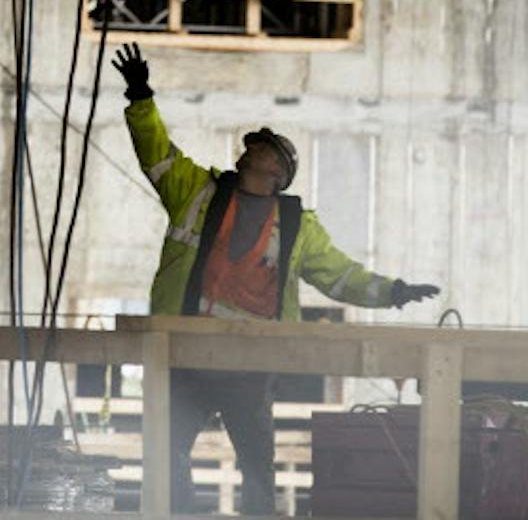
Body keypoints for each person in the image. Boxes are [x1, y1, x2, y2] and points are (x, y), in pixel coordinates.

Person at [114, 43, 441, 515]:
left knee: (257, 463)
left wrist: (392, 292)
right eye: (253, 145)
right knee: (167, 453)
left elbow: (340, 276)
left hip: (248, 361)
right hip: (185, 352)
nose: (252, 147)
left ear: (279, 173)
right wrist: (141, 97)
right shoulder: (196, 192)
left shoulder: (297, 227)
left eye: (264, 146)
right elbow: (156, 153)